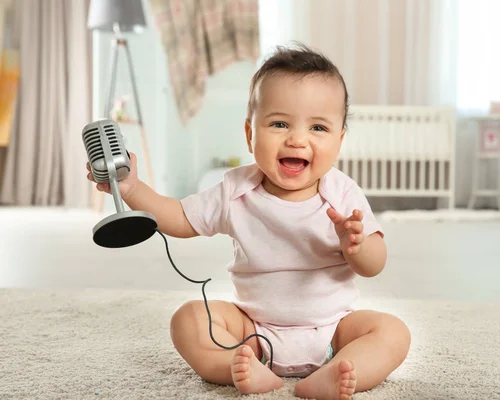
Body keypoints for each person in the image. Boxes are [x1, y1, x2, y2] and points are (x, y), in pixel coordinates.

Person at [87, 43, 411, 400]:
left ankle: (339, 371)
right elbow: (180, 218)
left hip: (333, 330)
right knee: (189, 320)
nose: (297, 138)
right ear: (249, 134)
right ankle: (237, 366)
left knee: (393, 332)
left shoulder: (342, 192)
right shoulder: (236, 190)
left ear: (339, 140)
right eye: (279, 123)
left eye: (318, 127)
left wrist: (358, 245)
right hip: (253, 331)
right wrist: (131, 187)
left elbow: (375, 263)